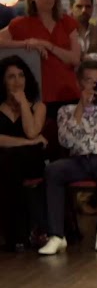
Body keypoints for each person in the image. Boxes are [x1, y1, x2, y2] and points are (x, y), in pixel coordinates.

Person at [38, 61, 97, 255]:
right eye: (89, 81)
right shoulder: (66, 111)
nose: (94, 86)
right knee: (53, 170)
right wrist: (80, 109)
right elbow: (65, 142)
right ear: (79, 83)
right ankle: (57, 235)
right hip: (79, 161)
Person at [0, 0, 82, 112]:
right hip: (39, 96)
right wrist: (26, 43)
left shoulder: (66, 22)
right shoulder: (21, 24)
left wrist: (47, 45)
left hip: (68, 92)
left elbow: (75, 59)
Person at [0, 55, 47, 251]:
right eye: (11, 77)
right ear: (2, 81)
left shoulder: (38, 106)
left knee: (9, 160)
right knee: (8, 160)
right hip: (7, 161)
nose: (17, 81)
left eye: (21, 76)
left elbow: (31, 131)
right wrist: (30, 143)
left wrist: (23, 104)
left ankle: (15, 235)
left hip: (31, 162)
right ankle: (18, 234)